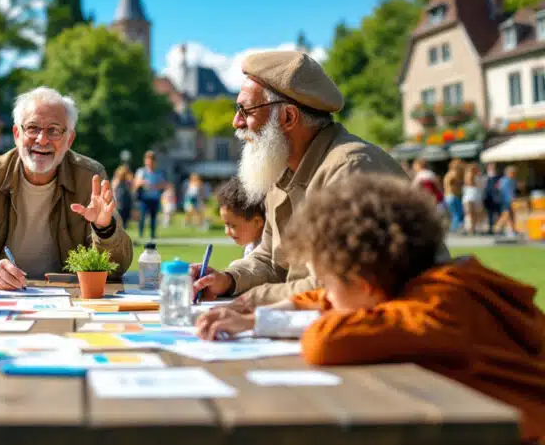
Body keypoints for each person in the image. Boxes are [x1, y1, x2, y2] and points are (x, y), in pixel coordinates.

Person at [195, 175, 545, 444]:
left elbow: (326, 340)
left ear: (363, 284)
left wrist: (274, 320)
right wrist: (258, 319)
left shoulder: (438, 306)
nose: (325, 296)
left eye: (328, 283)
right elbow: (321, 302)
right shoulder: (431, 285)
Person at [190, 49, 416, 309]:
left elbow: (334, 287)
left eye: (245, 110)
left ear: (287, 117)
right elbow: (269, 259)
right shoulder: (282, 170)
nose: (236, 122)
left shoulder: (349, 171)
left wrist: (247, 302)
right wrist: (228, 280)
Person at [0, 86, 133, 288]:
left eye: (54, 130)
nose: (42, 139)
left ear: (69, 140)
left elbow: (117, 267)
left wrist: (104, 230)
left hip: (67, 298)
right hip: (1, 298)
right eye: (32, 128)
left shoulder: (89, 177)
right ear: (16, 134)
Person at [216, 177, 264, 257]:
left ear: (257, 222)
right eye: (226, 224)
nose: (227, 232)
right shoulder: (251, 246)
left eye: (232, 226)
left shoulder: (268, 254)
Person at [133, 151, 166, 240]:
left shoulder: (159, 172)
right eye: (148, 160)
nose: (150, 162)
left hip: (154, 198)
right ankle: (141, 234)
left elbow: (163, 184)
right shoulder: (141, 171)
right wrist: (143, 182)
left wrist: (155, 186)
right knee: (142, 217)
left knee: (153, 218)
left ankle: (152, 234)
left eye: (152, 160)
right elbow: (136, 183)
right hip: (144, 198)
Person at [443, 160, 465, 233]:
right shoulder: (454, 173)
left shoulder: (448, 174)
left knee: (454, 214)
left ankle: (453, 229)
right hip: (453, 196)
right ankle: (454, 230)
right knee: (457, 214)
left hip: (448, 196)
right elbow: (452, 181)